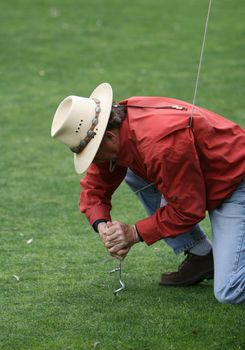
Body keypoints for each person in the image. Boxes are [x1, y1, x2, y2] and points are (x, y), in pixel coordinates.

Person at [51, 82, 245, 304]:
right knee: (133, 173)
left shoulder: (161, 146)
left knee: (230, 290)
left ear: (110, 138)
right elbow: (95, 187)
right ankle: (202, 255)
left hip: (236, 182)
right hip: (204, 175)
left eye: (94, 154)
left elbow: (188, 210)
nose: (95, 161)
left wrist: (133, 233)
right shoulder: (114, 126)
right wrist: (102, 225)